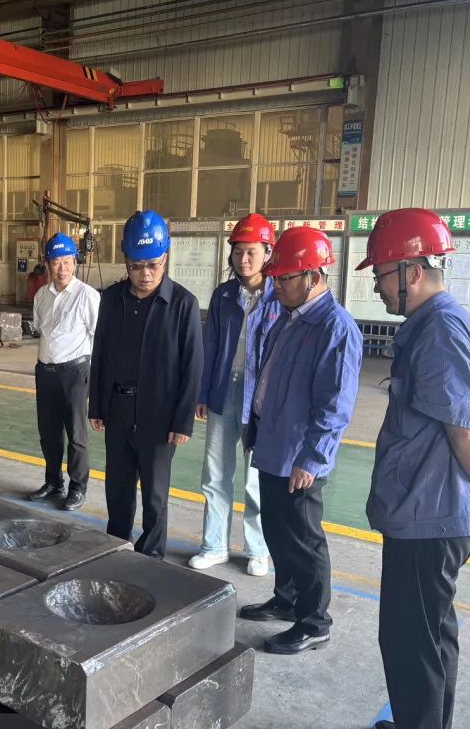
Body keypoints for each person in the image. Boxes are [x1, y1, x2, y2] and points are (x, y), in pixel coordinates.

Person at [341, 209, 470, 729]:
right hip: (426, 509)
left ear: (412, 271)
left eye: (381, 275)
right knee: (430, 636)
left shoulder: (440, 331)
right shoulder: (436, 325)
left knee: (413, 640)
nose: (377, 286)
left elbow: (462, 427)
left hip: (430, 514)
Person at [239, 227, 362, 654]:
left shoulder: (334, 328)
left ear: (314, 276)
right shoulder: (291, 317)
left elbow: (335, 404)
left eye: (285, 278)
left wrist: (312, 458)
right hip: (273, 446)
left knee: (304, 538)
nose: (276, 285)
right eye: (275, 278)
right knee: (277, 529)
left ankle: (314, 621)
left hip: (299, 457)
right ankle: (287, 598)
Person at [89, 210, 203, 559]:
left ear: (165, 257)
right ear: (126, 260)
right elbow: (100, 353)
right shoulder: (112, 299)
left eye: (153, 264)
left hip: (159, 416)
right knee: (118, 488)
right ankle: (116, 548)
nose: (145, 274)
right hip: (118, 410)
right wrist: (97, 405)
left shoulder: (183, 304)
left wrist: (182, 421)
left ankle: (152, 556)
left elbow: (192, 366)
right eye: (136, 266)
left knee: (155, 495)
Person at [189, 213, 281, 575]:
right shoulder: (224, 295)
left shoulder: (279, 296)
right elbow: (209, 347)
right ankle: (214, 545)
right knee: (215, 472)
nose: (244, 259)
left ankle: (258, 550)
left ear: (268, 253)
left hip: (261, 397)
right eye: (238, 252)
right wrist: (203, 391)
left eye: (252, 252)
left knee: (255, 477)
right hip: (224, 390)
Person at [27, 233, 101, 511]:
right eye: (56, 262)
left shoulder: (87, 296)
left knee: (76, 434)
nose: (62, 268)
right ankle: (53, 482)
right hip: (45, 372)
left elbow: (98, 337)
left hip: (75, 372)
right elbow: (40, 328)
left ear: (75, 263)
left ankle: (77, 487)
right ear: (48, 264)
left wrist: (93, 376)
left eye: (67, 262)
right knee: (48, 432)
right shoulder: (41, 296)